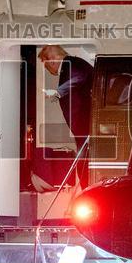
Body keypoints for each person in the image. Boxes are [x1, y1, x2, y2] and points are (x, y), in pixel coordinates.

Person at [39, 45, 94, 185]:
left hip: (84, 123)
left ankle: (87, 193)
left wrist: (58, 92)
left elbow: (79, 78)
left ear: (51, 60)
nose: (50, 70)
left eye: (47, 66)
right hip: (83, 125)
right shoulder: (72, 64)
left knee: (83, 165)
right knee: (83, 163)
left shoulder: (72, 64)